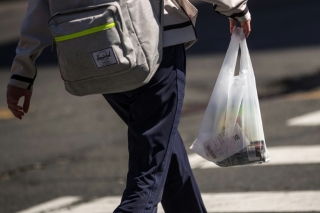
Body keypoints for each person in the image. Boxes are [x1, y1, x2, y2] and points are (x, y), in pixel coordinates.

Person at [6, 0, 251, 212]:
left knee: (164, 152)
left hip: (98, 54)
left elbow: (40, 7)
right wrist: (236, 8)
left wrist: (22, 71)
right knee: (147, 176)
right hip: (154, 49)